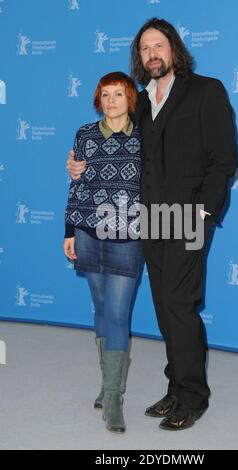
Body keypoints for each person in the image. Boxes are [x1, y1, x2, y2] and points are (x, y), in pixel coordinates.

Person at [67, 18, 238, 431]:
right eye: (144, 49)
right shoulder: (141, 100)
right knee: (164, 305)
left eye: (158, 45)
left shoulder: (206, 91)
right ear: (139, 58)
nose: (152, 54)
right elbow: (116, 137)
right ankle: (175, 388)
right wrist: (80, 164)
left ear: (173, 49)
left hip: (188, 219)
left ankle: (193, 397)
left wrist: (201, 213)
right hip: (149, 220)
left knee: (179, 305)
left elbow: (225, 160)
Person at [64, 71, 144, 434]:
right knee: (100, 308)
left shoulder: (147, 135)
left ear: (131, 99)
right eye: (105, 95)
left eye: (119, 94)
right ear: (99, 100)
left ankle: (113, 397)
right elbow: (76, 184)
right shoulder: (84, 135)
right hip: (87, 233)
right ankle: (106, 386)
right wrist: (69, 231)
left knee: (117, 313)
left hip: (129, 235)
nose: (111, 101)